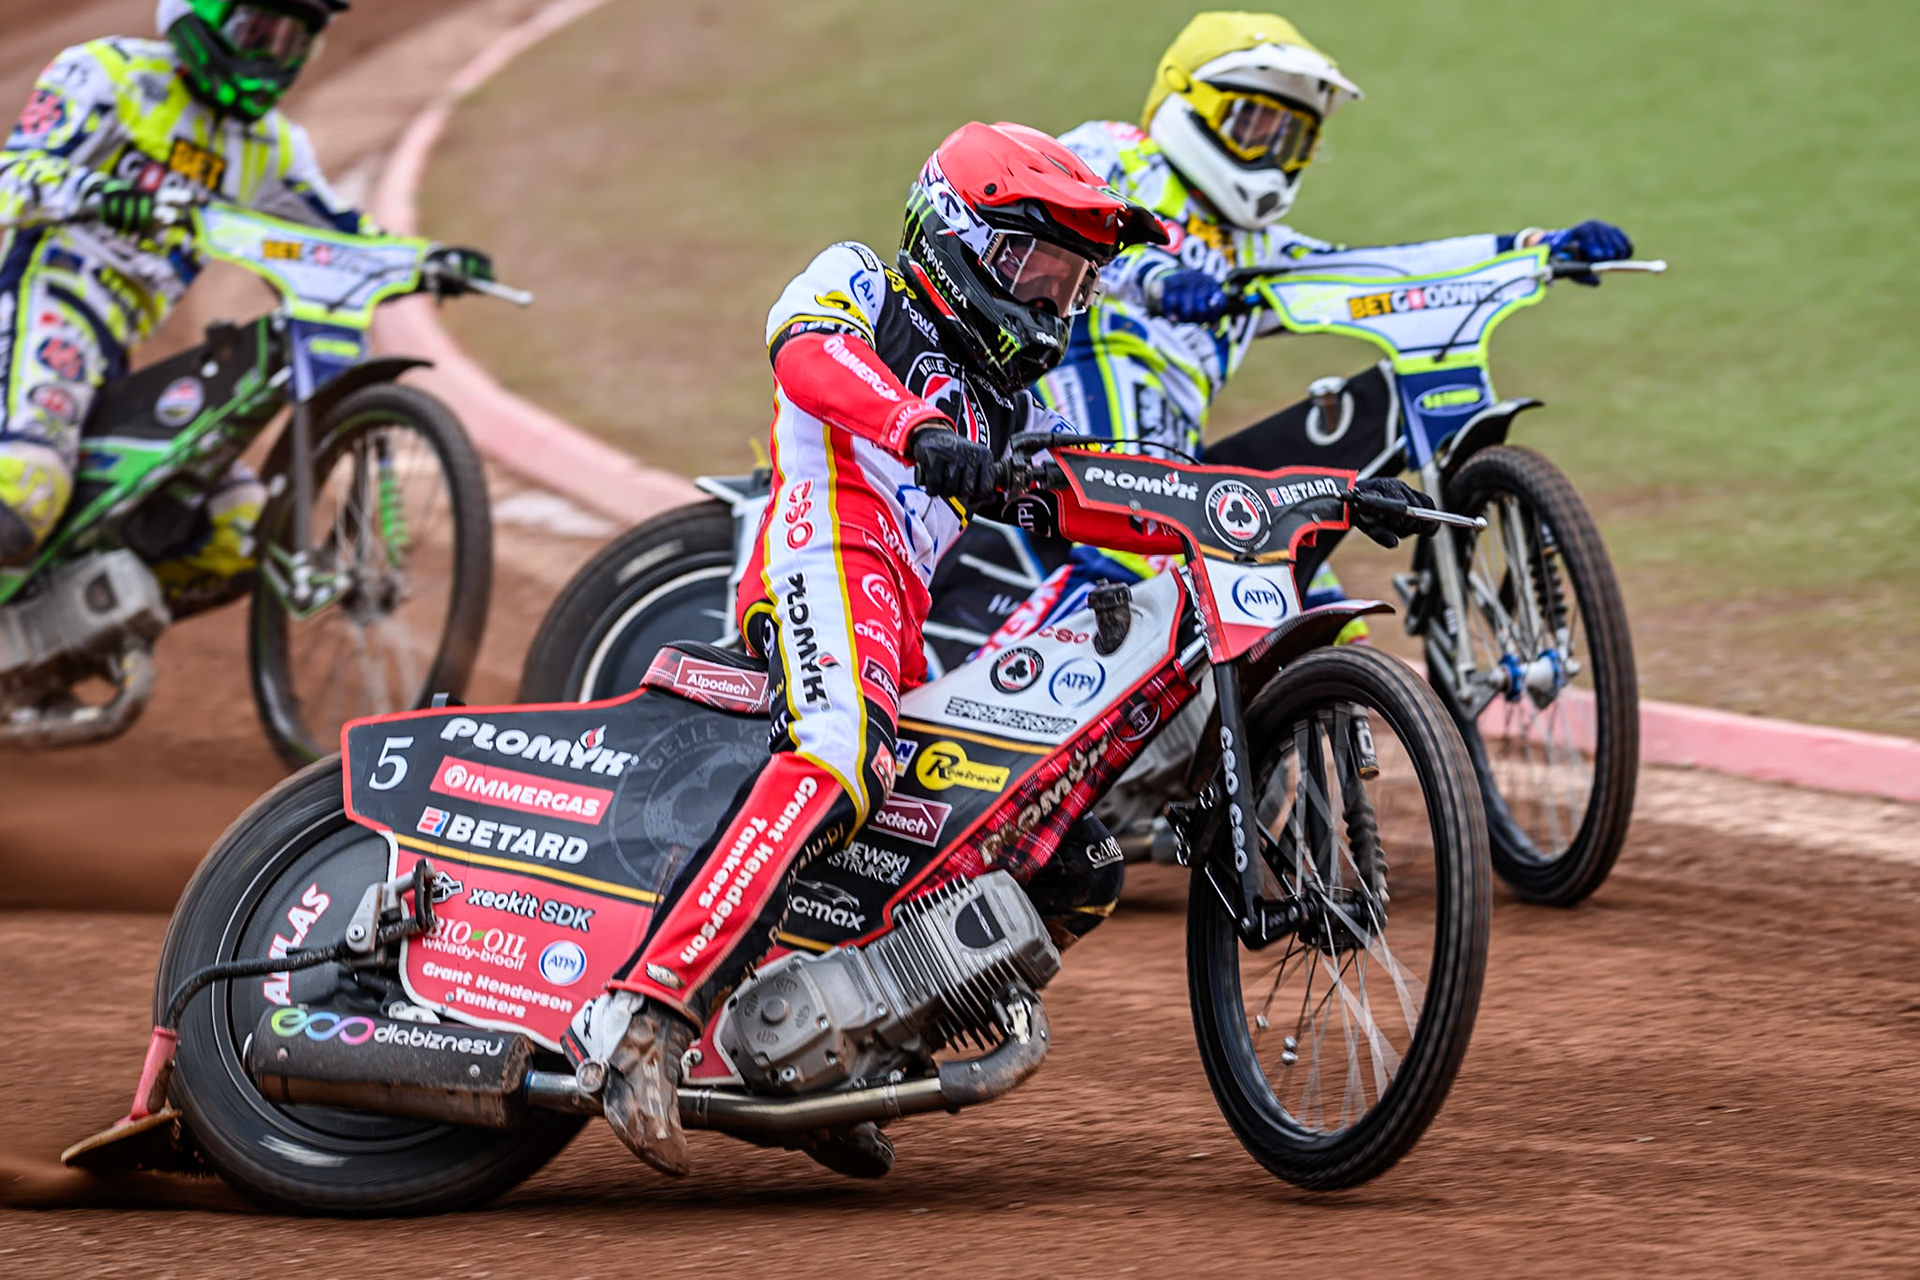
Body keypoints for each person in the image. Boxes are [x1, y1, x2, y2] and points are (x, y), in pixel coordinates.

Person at [567, 120, 1436, 1180]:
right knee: (840, 751)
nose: (1051, 300)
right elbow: (806, 354)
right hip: (821, 546)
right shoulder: (863, 284)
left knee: (1064, 862)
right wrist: (918, 432)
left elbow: (1137, 491)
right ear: (958, 237)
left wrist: (1322, 497)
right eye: (1036, 264)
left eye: (1072, 282)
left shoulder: (1010, 403)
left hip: (895, 604)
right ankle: (641, 1015)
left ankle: (843, 1055)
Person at [1014, 10, 1635, 639]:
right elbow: (1060, 215)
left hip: (1179, 459)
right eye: (1254, 124)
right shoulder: (1114, 149)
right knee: (1147, 556)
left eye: (1292, 137)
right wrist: (1154, 278)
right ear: (1188, 103)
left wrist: (1536, 249)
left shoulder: (1254, 248)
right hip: (1077, 438)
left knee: (1314, 614)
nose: (1272, 153)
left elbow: (1381, 268)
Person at [0, 0, 491, 605]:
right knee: (25, 491)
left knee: (234, 532)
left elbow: (339, 235)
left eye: (288, 40)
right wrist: (101, 194)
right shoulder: (110, 72)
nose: (268, 56)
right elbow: (14, 176)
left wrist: (427, 260)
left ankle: (71, 642)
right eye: (255, 31)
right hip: (43, 303)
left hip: (116, 351)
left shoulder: (269, 145)